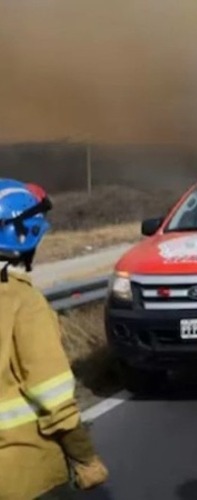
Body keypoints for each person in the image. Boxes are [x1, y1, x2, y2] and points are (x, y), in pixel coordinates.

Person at [0, 179, 108, 499]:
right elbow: (53, 396)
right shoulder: (24, 303)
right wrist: (85, 459)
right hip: (21, 475)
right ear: (25, 234)